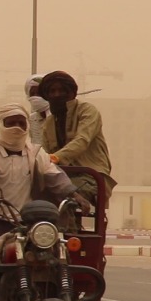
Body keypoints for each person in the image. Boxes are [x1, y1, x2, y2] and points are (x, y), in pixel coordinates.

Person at [0, 102, 96, 301]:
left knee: (60, 256)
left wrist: (75, 195)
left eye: (20, 122)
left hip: (30, 222)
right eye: (11, 122)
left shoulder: (36, 153)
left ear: (27, 124)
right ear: (2, 125)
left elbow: (56, 177)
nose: (16, 127)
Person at [38, 70, 116, 204]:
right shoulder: (49, 123)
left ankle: (67, 225)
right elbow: (43, 152)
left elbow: (82, 141)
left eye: (62, 90)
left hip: (90, 175)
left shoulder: (87, 111)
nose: (57, 95)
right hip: (60, 175)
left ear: (71, 93)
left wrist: (56, 157)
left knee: (67, 198)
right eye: (52, 91)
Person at [25, 73, 49, 147]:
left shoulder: (60, 117)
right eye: (33, 93)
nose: (36, 97)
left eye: (40, 93)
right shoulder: (30, 120)